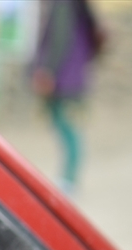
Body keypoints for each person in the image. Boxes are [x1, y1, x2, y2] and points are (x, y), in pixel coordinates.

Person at [31, 0, 105, 194]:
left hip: (63, 77)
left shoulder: (64, 4)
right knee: (68, 126)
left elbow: (59, 39)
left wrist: (48, 71)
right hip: (74, 75)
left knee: (66, 126)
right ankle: (69, 177)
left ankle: (69, 178)